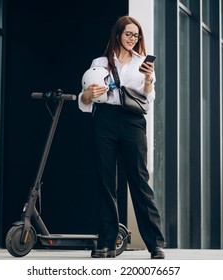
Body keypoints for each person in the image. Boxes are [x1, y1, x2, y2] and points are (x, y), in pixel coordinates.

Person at [78, 16, 165, 259]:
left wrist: (148, 79)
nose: (133, 39)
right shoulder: (100, 62)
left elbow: (148, 100)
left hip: (132, 121)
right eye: (128, 34)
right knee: (106, 182)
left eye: (136, 35)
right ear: (118, 35)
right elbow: (85, 100)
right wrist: (88, 95)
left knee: (139, 180)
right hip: (104, 118)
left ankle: (155, 243)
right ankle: (106, 243)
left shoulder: (142, 62)